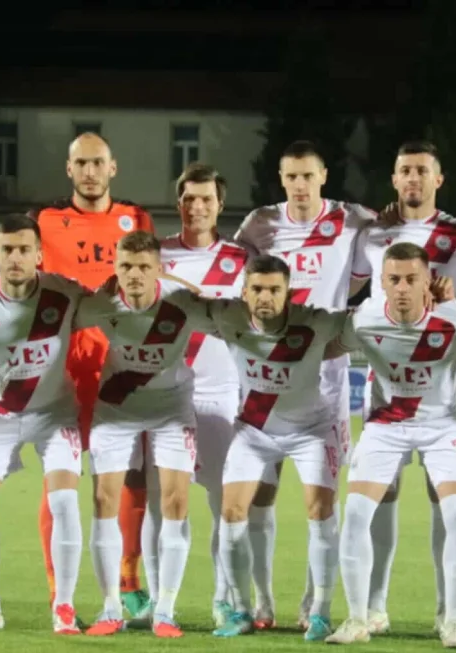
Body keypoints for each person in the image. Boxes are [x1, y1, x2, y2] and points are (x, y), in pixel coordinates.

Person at [0, 132, 157, 621]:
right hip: (66, 369)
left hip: (121, 365)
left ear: (113, 167)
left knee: (130, 477)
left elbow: (145, 275)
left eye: (97, 162)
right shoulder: (46, 222)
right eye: (81, 162)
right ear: (69, 168)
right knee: (60, 488)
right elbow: (14, 277)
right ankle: (59, 595)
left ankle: (130, 582)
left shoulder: (135, 219)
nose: (89, 171)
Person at [323, 243, 456, 649]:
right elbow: (322, 348)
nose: (402, 288)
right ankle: (358, 618)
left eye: (412, 279)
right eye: (393, 279)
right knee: (356, 514)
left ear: (428, 280)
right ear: (381, 283)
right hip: (386, 425)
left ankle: (453, 623)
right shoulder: (364, 319)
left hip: (442, 425)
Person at [347, 141, 456, 634]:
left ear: (439, 179)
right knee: (381, 498)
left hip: (438, 377)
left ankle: (446, 612)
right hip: (386, 386)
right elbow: (341, 290)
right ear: (393, 179)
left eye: (422, 170)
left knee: (445, 501)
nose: (413, 178)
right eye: (404, 170)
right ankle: (373, 606)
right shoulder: (373, 232)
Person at [232, 141, 375, 629]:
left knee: (322, 504)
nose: (299, 185)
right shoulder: (259, 224)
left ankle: (316, 604)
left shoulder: (350, 217)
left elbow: (397, 230)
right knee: (260, 498)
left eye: (308, 176)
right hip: (266, 380)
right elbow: (233, 272)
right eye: (291, 176)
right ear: (281, 177)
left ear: (323, 177)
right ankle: (263, 602)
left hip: (326, 382)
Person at [184, 255, 348, 641]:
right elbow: (179, 304)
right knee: (231, 511)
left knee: (320, 510)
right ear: (244, 292)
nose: (265, 297)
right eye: (257, 289)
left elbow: (366, 325)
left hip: (311, 430)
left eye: (274, 289)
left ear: (287, 292)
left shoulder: (315, 321)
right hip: (255, 431)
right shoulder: (228, 318)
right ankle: (241, 610)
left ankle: (321, 612)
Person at [0, 215, 88, 635]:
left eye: (25, 249)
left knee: (64, 502)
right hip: (1, 412)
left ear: (39, 254)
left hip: (56, 413)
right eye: (7, 249)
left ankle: (64, 608)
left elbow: (118, 307)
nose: (16, 257)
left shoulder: (65, 293)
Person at [72, 231, 215, 637]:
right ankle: (109, 609)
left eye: (143, 267)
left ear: (159, 270)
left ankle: (165, 611)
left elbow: (235, 318)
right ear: (115, 267)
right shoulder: (102, 303)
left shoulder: (182, 303)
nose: (134, 275)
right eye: (126, 267)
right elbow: (49, 310)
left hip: (172, 407)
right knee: (103, 499)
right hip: (117, 407)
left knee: (175, 500)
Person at [158, 162, 269, 628]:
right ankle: (157, 605)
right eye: (188, 198)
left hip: (223, 394)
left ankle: (225, 599)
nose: (196, 207)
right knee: (163, 506)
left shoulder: (241, 260)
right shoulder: (157, 255)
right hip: (164, 394)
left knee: (223, 505)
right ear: (177, 202)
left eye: (206, 198)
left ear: (221, 205)